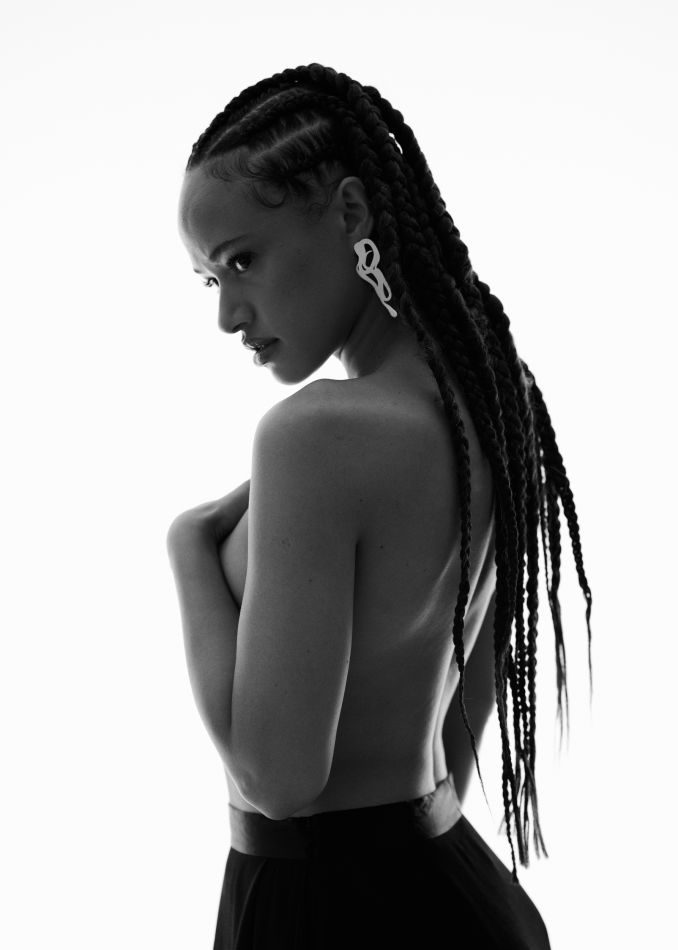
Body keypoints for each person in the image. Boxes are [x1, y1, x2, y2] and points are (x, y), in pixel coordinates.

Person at [166, 63, 593, 950]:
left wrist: (188, 551)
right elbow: (456, 742)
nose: (229, 315)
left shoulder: (315, 435)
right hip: (454, 890)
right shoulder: (496, 406)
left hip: (321, 913)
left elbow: (278, 780)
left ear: (352, 214)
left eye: (243, 259)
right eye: (210, 279)